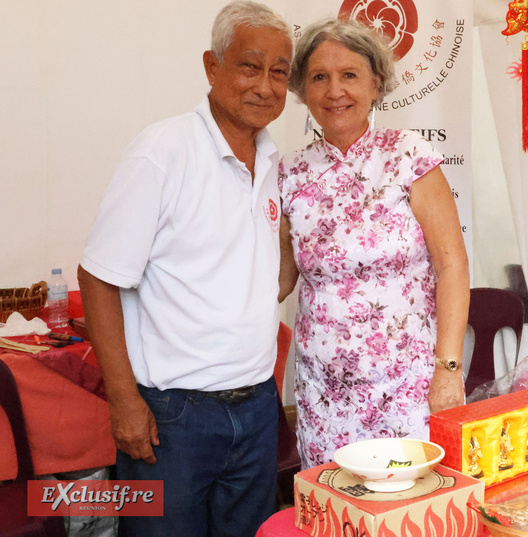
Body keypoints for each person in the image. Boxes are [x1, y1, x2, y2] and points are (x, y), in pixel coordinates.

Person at [77, 2, 292, 535]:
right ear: (211, 67)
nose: (265, 86)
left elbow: (260, 275)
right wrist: (124, 401)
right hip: (171, 417)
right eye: (250, 66)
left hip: (258, 407)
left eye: (279, 72)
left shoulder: (273, 162)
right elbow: (97, 279)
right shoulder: (162, 152)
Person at [277, 18, 469, 469]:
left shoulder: (409, 156)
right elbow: (279, 280)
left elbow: (453, 266)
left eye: (349, 75)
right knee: (336, 498)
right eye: (319, 77)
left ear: (375, 83)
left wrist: (448, 369)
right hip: (325, 393)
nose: (334, 91)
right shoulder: (289, 173)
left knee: (409, 499)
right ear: (303, 90)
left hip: (408, 387)